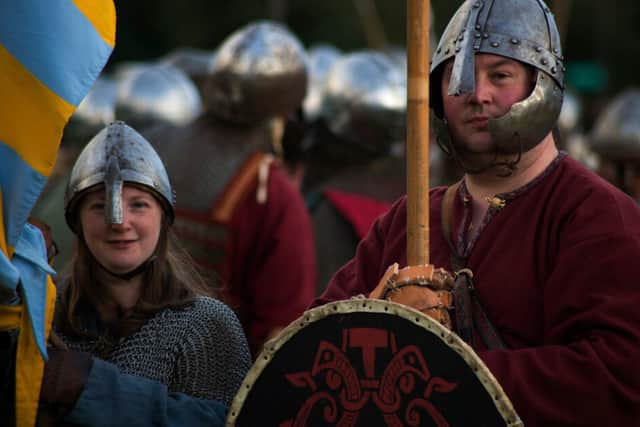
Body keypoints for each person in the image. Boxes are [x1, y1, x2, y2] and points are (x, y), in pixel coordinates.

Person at [313, 1, 640, 426]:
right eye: (458, 77)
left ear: (540, 85)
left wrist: (443, 365)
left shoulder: (596, 216)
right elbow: (312, 349)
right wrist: (374, 318)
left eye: (499, 76)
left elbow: (619, 375)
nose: (477, 95)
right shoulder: (409, 219)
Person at [40, 121, 251, 426]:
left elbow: (229, 422)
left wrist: (90, 387)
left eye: (138, 205)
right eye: (100, 207)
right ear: (78, 221)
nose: (119, 222)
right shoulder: (45, 314)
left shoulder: (207, 326)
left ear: (162, 218)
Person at [146, 21, 316, 356]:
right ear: (286, 109)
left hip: (118, 364)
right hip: (211, 384)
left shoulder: (151, 148)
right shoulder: (269, 192)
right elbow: (281, 329)